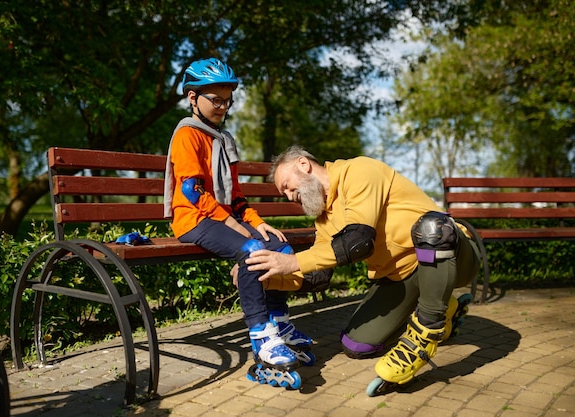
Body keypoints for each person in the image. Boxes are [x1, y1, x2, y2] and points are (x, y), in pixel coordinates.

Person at [244, 145, 481, 395]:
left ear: (303, 164)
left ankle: (424, 335)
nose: (290, 196)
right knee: (356, 345)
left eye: (288, 186)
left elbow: (358, 242)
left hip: (450, 254)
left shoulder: (358, 172)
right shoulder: (324, 219)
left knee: (434, 227)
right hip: (400, 277)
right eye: (285, 194)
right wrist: (263, 278)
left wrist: (291, 262)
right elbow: (318, 276)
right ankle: (447, 312)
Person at [163, 58, 312, 389]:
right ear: (192, 97)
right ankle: (261, 334)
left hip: (220, 216)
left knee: (277, 246)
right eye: (215, 99)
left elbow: (237, 196)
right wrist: (234, 226)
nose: (222, 106)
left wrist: (257, 222)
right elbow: (191, 190)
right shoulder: (188, 134)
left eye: (227, 99)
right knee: (252, 250)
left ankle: (280, 321)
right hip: (192, 220)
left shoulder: (223, 139)